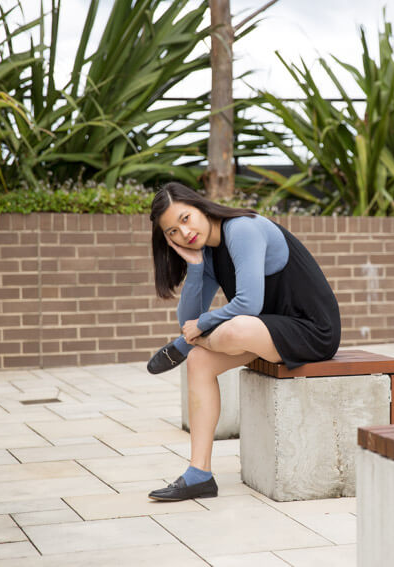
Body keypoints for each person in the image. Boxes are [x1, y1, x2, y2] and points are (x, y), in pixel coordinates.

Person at [145, 182, 341, 502]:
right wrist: (195, 268)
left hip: (311, 330)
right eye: (172, 232)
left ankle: (182, 349)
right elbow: (188, 320)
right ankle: (199, 474)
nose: (184, 232)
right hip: (267, 330)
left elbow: (248, 304)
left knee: (234, 329)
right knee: (199, 361)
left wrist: (196, 332)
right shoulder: (207, 254)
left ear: (200, 206)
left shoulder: (242, 229)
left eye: (185, 218)